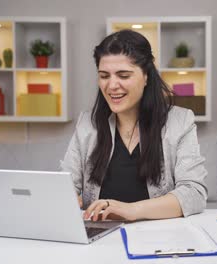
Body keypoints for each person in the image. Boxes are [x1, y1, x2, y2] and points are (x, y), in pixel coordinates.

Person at [61, 29, 207, 222]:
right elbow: (64, 186)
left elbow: (194, 193)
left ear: (146, 76)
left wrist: (130, 210)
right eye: (104, 76)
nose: (112, 85)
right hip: (99, 240)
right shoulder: (87, 124)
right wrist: (67, 198)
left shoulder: (180, 122)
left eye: (123, 75)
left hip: (159, 239)